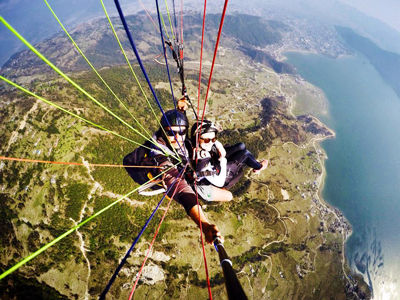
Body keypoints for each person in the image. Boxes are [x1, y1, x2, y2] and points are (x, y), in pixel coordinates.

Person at [125, 109, 222, 243]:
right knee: (228, 195)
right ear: (163, 133)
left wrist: (181, 109)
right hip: (180, 181)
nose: (178, 137)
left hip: (186, 168)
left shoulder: (176, 142)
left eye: (182, 132)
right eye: (171, 133)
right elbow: (180, 188)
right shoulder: (159, 157)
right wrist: (204, 225)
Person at [191, 120, 268, 202]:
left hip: (215, 163)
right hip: (220, 176)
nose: (210, 143)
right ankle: (259, 167)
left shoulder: (200, 145)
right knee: (245, 154)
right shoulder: (202, 165)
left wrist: (220, 148)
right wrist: (223, 161)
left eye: (213, 139)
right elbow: (220, 182)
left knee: (241, 146)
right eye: (207, 140)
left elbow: (212, 141)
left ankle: (251, 162)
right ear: (197, 138)